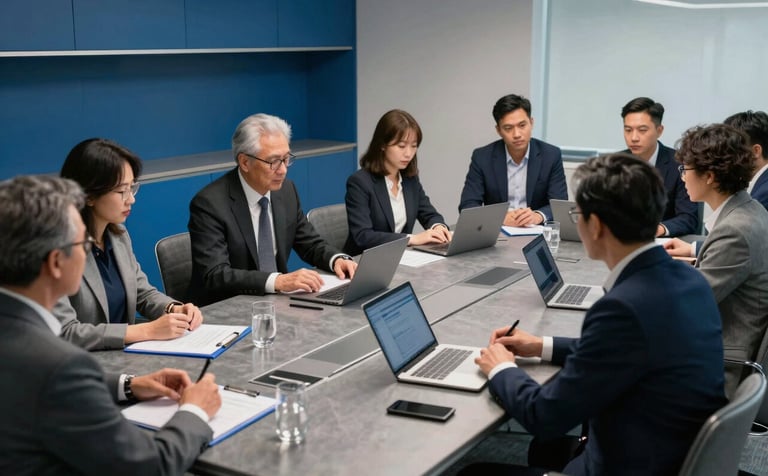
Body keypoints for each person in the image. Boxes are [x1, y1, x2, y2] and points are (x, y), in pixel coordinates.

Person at [471, 154, 726, 475]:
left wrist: (502, 369)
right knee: (545, 451)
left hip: (626, 464)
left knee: (474, 472)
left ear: (595, 226)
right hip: (666, 452)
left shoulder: (622, 308)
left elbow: (545, 416)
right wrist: (542, 345)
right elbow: (625, 351)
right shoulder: (690, 280)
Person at [0, 175, 221, 475]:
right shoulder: (61, 367)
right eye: (83, 243)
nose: (89, 249)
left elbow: (36, 384)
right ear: (55, 263)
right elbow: (149, 467)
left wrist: (128, 385)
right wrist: (195, 410)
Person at [188, 113, 357, 305]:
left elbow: (310, 243)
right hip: (227, 308)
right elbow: (216, 274)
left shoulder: (286, 191)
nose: (283, 169)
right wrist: (277, 281)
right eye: (273, 161)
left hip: (277, 303)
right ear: (244, 162)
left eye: (286, 159)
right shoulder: (210, 204)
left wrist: (337, 259)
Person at [53, 139, 204, 351]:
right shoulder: (56, 250)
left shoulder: (118, 235)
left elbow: (143, 293)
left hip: (125, 359)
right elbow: (66, 332)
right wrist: (146, 331)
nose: (131, 199)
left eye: (132, 187)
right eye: (121, 191)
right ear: (88, 195)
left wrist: (174, 309)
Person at [663, 124, 768, 394]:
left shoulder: (735, 230)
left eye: (685, 170)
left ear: (709, 176)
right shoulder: (749, 210)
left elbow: (686, 305)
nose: (682, 178)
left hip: (722, 365)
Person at [344, 109, 451, 255]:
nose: (408, 153)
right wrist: (411, 239)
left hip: (399, 259)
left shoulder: (409, 180)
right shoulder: (360, 182)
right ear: (382, 145)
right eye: (401, 146)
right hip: (363, 261)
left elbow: (430, 214)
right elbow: (363, 236)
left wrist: (438, 227)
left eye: (414, 146)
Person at [459, 94, 568, 226]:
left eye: (522, 125)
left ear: (531, 123)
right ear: (498, 130)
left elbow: (559, 204)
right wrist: (500, 218)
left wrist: (537, 216)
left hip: (536, 231)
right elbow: (468, 205)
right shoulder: (482, 157)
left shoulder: (551, 155)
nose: (517, 134)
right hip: (498, 234)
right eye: (508, 128)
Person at [621, 97, 699, 236]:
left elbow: (688, 218)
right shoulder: (614, 164)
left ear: (659, 131)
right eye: (628, 130)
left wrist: (658, 229)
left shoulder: (680, 164)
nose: (634, 138)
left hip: (662, 245)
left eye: (642, 130)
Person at [724, 110, 768, 211]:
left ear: (756, 151)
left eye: (731, 149)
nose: (725, 157)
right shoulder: (759, 185)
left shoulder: (764, 195)